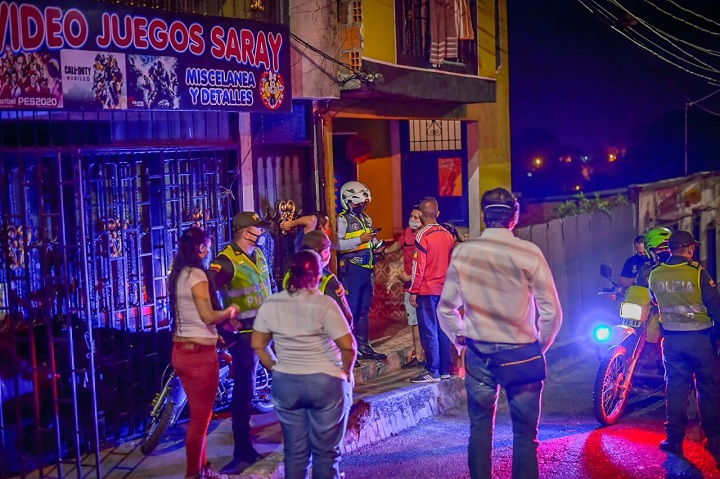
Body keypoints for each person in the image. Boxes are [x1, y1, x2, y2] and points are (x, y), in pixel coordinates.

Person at [437, 188, 563, 479]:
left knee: (480, 430)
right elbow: (551, 312)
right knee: (525, 436)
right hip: (522, 353)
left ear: (483, 215)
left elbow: (446, 308)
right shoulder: (529, 252)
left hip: (479, 353)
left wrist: (461, 338)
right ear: (514, 217)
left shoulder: (464, 252)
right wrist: (538, 347)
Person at [251, 250, 356, 479]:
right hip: (325, 382)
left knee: (295, 452)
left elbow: (258, 344)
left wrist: (275, 367)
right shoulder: (324, 304)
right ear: (318, 276)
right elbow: (348, 347)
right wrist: (347, 372)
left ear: (292, 274)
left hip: (287, 383)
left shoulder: (273, 303)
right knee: (326, 453)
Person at [168, 227, 241, 479]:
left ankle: (202, 469)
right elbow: (208, 316)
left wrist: (215, 332)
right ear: (200, 248)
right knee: (201, 420)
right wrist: (230, 311)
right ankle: (194, 474)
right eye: (208, 246)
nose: (209, 251)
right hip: (199, 356)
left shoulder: (179, 274)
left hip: (181, 351)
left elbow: (192, 317)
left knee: (199, 417)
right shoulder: (197, 275)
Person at [207, 212, 273, 475]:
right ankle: (242, 451)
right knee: (243, 394)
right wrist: (222, 319)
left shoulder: (257, 254)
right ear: (246, 233)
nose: (262, 233)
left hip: (268, 328)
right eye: (259, 229)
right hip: (245, 336)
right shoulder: (225, 262)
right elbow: (205, 290)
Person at [648, 230, 720, 463]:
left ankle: (675, 440)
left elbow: (655, 300)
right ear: (689, 248)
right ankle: (714, 441)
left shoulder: (655, 274)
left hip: (672, 342)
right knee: (707, 389)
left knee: (676, 389)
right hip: (700, 341)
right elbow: (716, 308)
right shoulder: (697, 273)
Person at [336, 181, 386, 360]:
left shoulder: (366, 218)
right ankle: (349, 349)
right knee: (352, 309)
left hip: (367, 269)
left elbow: (369, 240)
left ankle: (364, 345)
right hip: (352, 270)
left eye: (363, 203)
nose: (361, 206)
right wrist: (359, 239)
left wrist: (376, 246)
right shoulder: (341, 220)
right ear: (347, 201)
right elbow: (336, 245)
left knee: (364, 309)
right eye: (357, 203)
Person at [408, 197, 456, 383]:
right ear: (437, 213)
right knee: (443, 329)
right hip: (445, 289)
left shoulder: (422, 236)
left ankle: (432, 370)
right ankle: (445, 370)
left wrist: (413, 290)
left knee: (429, 330)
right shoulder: (448, 235)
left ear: (420, 214)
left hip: (427, 290)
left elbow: (418, 267)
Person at [384, 205, 426, 369]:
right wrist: (383, 252)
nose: (412, 220)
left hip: (424, 287)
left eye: (416, 217)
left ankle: (432, 357)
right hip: (410, 287)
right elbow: (398, 245)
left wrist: (410, 277)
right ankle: (419, 357)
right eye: (411, 216)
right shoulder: (408, 232)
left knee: (427, 323)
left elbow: (427, 264)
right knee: (414, 323)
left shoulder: (426, 236)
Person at [282, 230, 353, 326]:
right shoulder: (328, 280)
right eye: (327, 250)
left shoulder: (289, 274)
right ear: (322, 253)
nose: (329, 254)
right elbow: (345, 319)